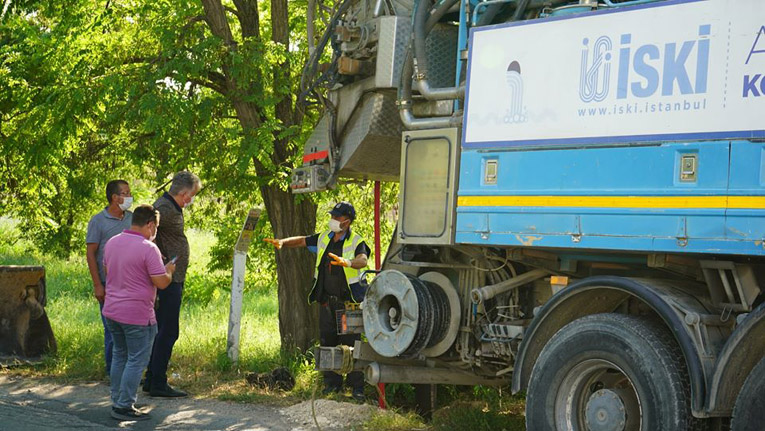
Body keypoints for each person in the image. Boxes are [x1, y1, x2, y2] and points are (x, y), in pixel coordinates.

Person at [264, 201, 371, 401]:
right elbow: (303, 241)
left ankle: (357, 389)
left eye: (337, 217)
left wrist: (346, 262)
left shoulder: (357, 241)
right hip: (327, 304)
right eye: (332, 216)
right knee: (327, 343)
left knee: (352, 346)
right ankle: (332, 385)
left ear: (346, 221)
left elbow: (363, 261)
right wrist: (283, 242)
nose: (332, 220)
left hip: (348, 305)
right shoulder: (324, 237)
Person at [102, 204, 175, 421]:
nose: (155, 233)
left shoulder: (112, 242)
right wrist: (169, 271)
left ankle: (118, 400)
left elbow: (108, 271)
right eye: (156, 228)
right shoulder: (148, 248)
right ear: (150, 224)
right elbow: (161, 283)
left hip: (112, 310)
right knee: (136, 359)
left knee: (119, 355)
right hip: (137, 314)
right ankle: (124, 405)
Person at [142, 171, 201, 397]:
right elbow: (147, 235)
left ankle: (151, 378)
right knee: (168, 330)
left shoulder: (171, 208)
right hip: (168, 280)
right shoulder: (164, 209)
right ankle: (157, 381)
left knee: (164, 330)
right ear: (185, 193)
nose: (192, 199)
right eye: (192, 195)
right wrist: (162, 262)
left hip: (175, 277)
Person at [86, 179, 133, 376]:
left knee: (129, 330)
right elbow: (91, 254)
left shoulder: (132, 218)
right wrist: (98, 285)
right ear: (115, 197)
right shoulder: (98, 221)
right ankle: (113, 372)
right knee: (112, 330)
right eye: (126, 193)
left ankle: (128, 371)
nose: (130, 197)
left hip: (130, 283)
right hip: (108, 283)